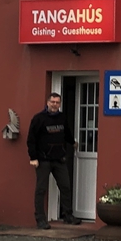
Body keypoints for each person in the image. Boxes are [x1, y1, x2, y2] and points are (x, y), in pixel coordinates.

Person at [25, 91, 81, 228]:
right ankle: (40, 219)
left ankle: (68, 215)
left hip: (59, 159)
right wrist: (33, 158)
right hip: (43, 160)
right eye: (53, 102)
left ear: (60, 104)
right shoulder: (39, 119)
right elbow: (31, 140)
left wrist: (73, 142)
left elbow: (66, 133)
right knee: (41, 189)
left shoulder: (62, 118)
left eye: (57, 102)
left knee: (66, 187)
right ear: (48, 103)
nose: (55, 105)